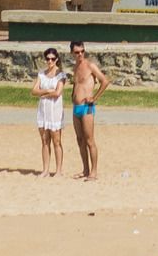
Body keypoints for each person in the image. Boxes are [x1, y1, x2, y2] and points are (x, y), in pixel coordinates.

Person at [70, 36, 106, 180]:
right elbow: (76, 84)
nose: (80, 54)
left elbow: (105, 81)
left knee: (90, 140)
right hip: (76, 107)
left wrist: (94, 97)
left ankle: (94, 171)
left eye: (82, 51)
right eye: (77, 52)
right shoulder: (75, 67)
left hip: (87, 107)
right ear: (72, 53)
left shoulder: (90, 66)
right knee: (80, 140)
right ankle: (85, 170)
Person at [34, 46, 68, 178]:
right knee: (44, 140)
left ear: (56, 59)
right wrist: (47, 91)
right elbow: (34, 91)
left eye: (52, 59)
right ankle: (45, 170)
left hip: (55, 111)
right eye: (47, 59)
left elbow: (58, 92)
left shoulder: (61, 75)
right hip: (43, 110)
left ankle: (58, 170)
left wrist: (44, 93)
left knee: (56, 140)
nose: (50, 61)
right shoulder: (41, 74)